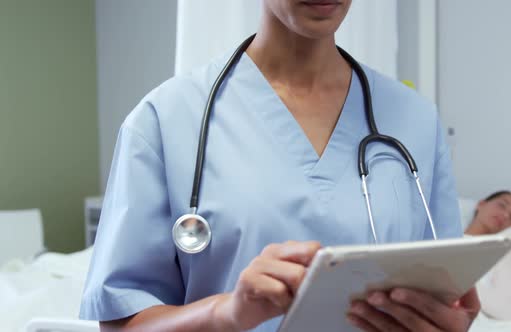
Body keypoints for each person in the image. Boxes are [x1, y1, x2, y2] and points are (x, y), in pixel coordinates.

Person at [80, 1, 480, 331]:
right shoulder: (164, 121)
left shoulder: (414, 121)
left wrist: (448, 322)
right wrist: (228, 314)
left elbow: (446, 292)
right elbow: (121, 324)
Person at [464, 190, 511, 320]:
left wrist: (453, 281)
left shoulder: (504, 252)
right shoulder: (438, 233)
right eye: (502, 205)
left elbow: (504, 308)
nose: (505, 215)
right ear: (481, 204)